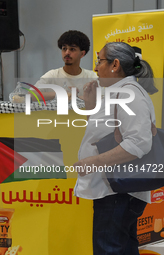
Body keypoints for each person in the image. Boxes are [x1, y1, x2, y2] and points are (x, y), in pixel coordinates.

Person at [73, 42, 158, 255]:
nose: (95, 67)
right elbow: (104, 132)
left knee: (109, 249)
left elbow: (139, 142)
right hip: (115, 190)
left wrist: (91, 162)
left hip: (118, 191)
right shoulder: (118, 93)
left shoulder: (129, 94)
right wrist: (91, 106)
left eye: (99, 61)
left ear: (115, 65)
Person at [34, 30, 97, 100]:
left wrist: (75, 98)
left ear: (82, 54)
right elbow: (31, 94)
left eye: (72, 49)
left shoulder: (92, 77)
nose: (67, 52)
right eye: (64, 49)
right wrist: (60, 94)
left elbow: (103, 99)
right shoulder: (52, 75)